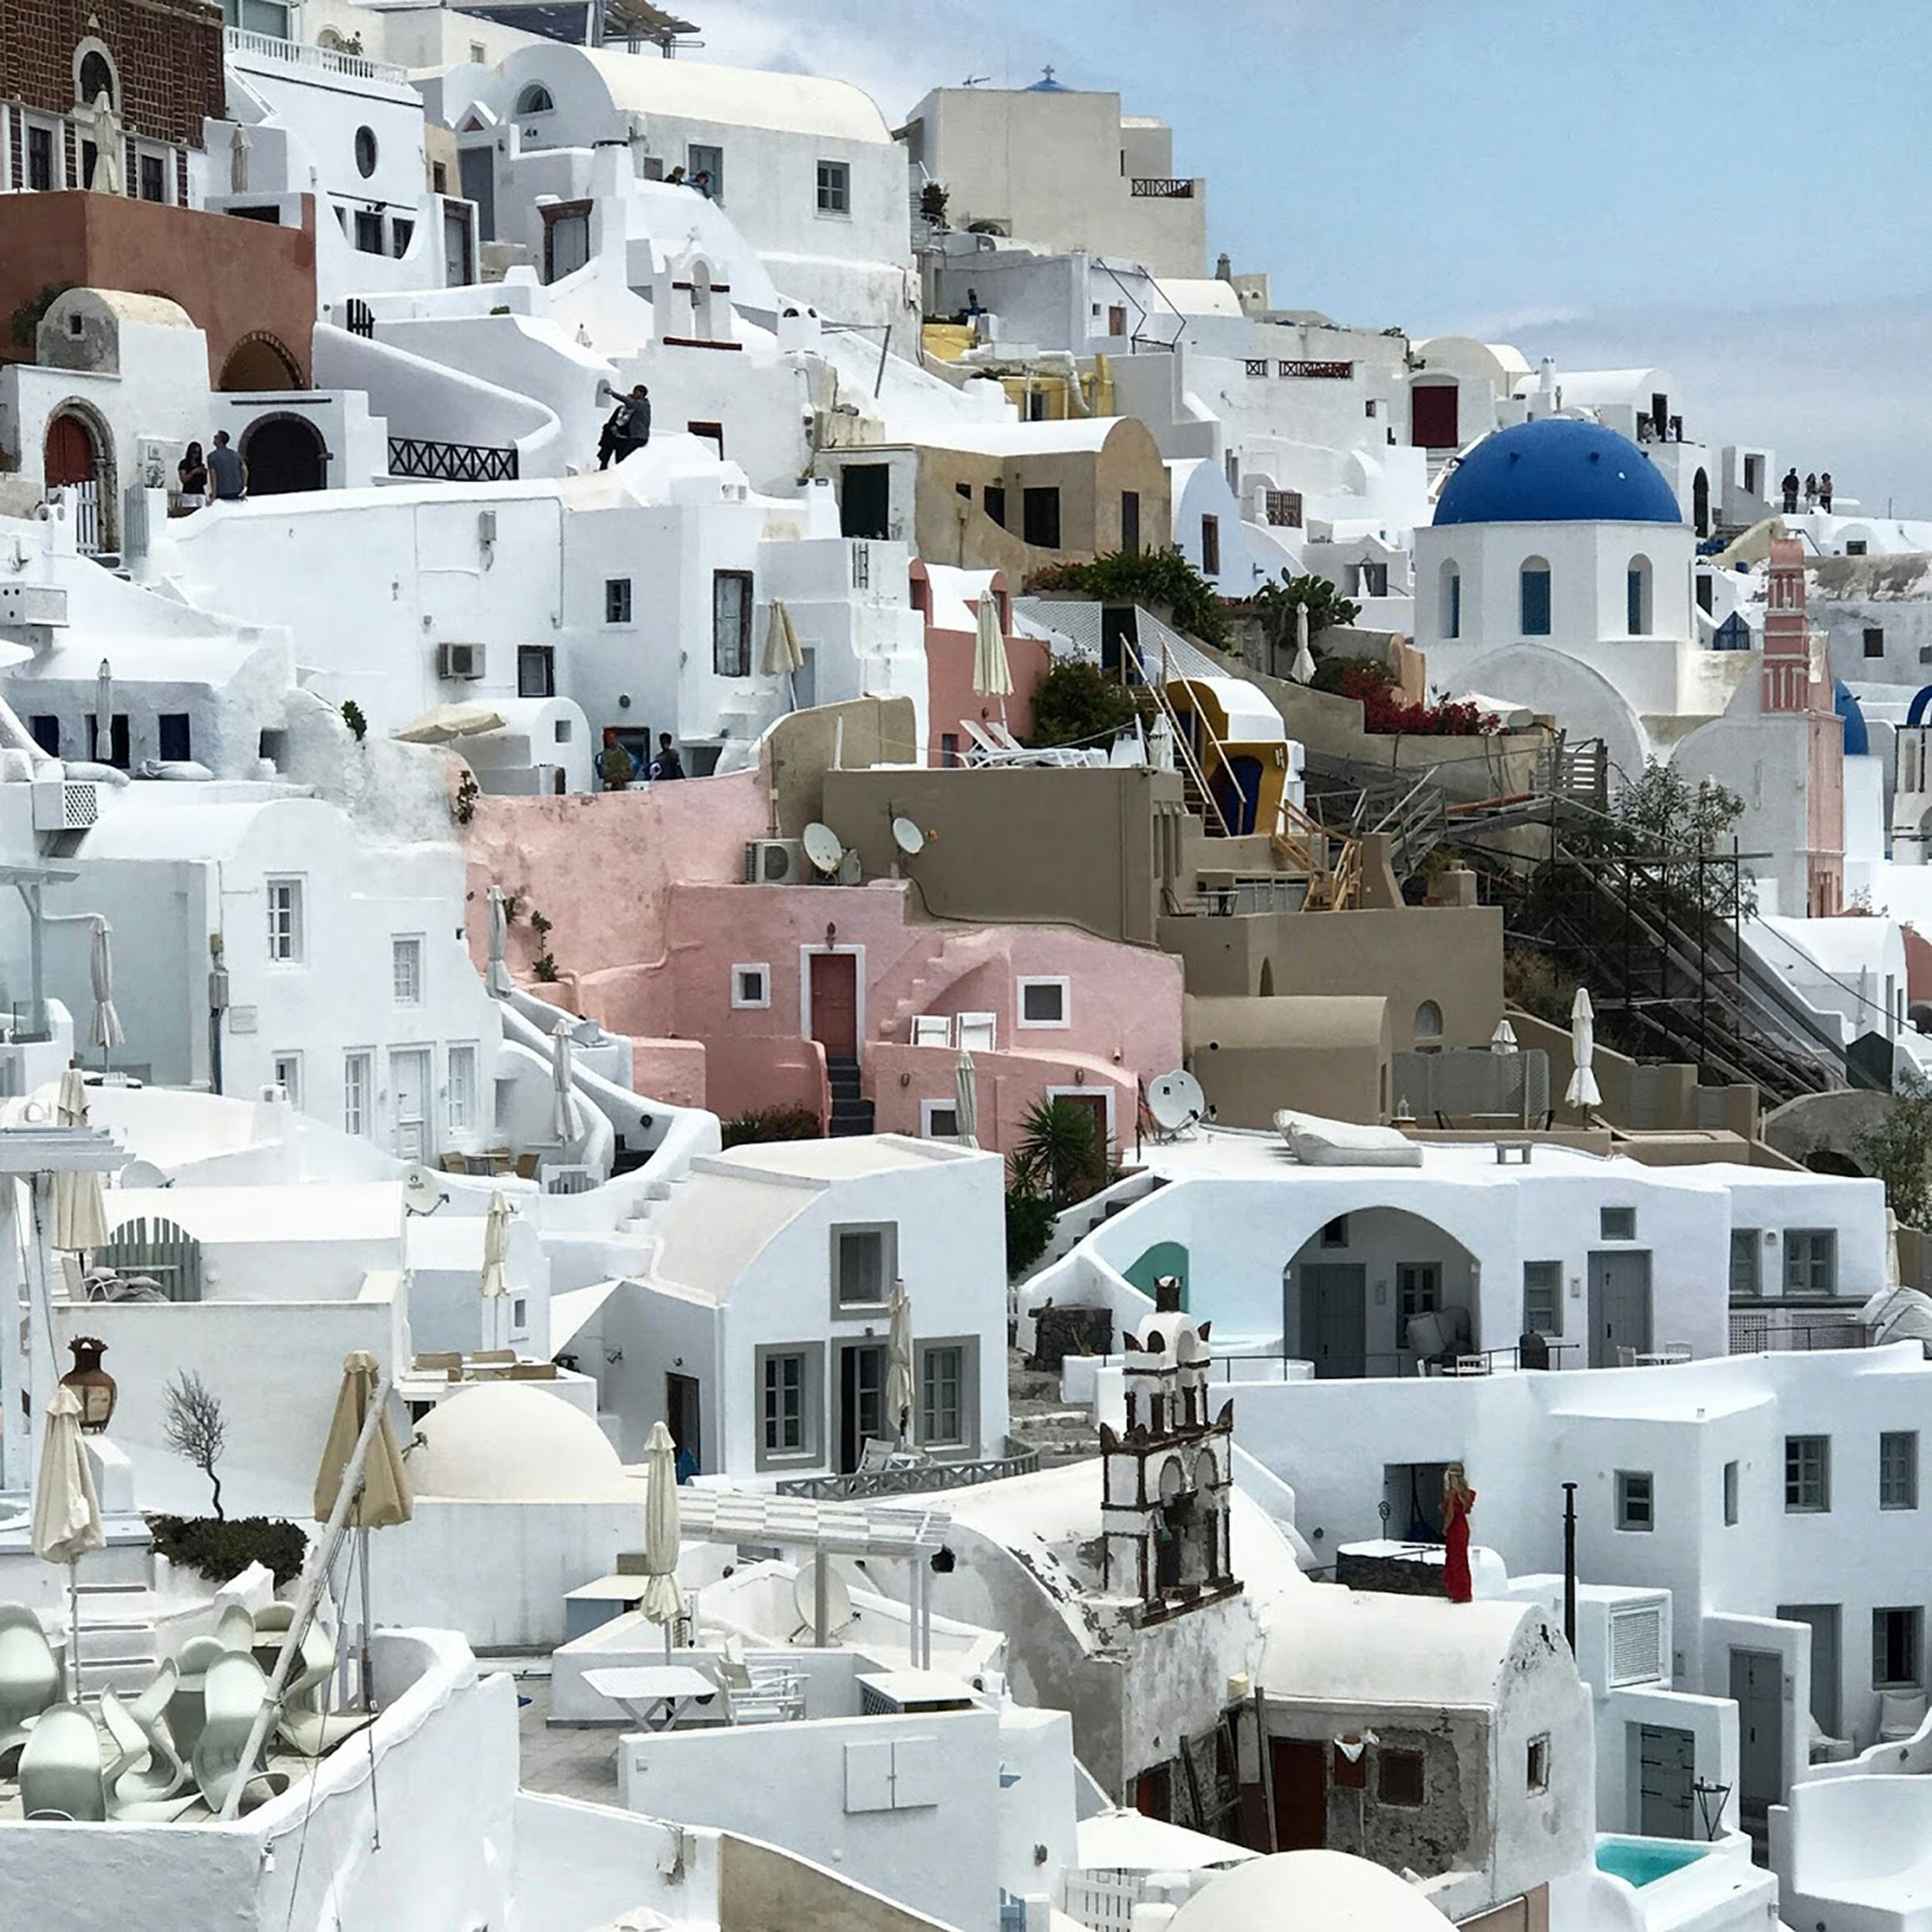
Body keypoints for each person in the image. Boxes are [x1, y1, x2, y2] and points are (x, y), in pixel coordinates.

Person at [1441, 1463, 1477, 1605]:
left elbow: (1450, 1514)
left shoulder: (1453, 1494)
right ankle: (1465, 1592)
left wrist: (1445, 1528)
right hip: (1463, 1527)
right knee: (1462, 1559)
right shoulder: (1466, 1494)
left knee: (1454, 1560)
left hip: (1455, 1528)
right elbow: (1467, 1511)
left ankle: (1458, 1593)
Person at [206, 430, 247, 503]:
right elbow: (244, 470)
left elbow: (213, 476)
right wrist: (243, 487)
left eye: (215, 437)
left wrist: (213, 494)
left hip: (222, 492)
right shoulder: (236, 455)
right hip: (236, 491)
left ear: (220, 440)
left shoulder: (212, 457)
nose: (214, 439)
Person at [176, 440, 208, 513]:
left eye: (198, 453)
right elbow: (183, 479)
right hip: (188, 494)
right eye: (194, 452)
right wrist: (194, 472)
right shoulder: (184, 464)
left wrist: (204, 474)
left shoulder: (201, 465)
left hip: (200, 494)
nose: (196, 455)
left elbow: (204, 482)